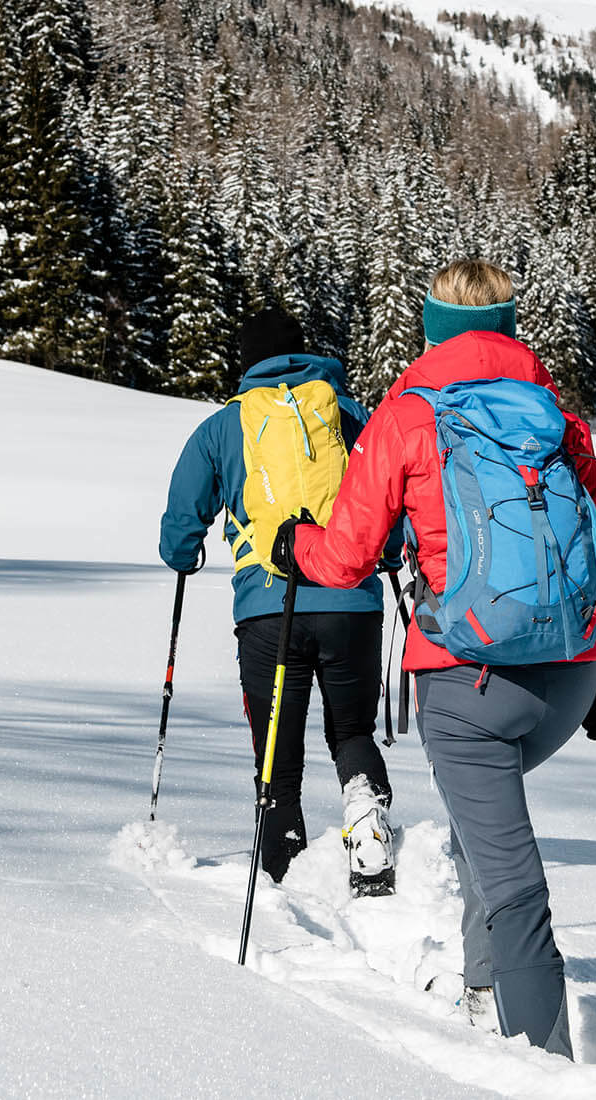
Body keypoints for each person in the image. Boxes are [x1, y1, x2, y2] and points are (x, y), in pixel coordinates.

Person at [269, 260, 596, 1057]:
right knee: (486, 827)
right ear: (508, 326)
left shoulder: (408, 417)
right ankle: (483, 993)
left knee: (512, 882)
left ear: (431, 326)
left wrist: (290, 543)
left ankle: (546, 1060)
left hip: (467, 684)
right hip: (571, 676)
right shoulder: (556, 417)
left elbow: (345, 556)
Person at [158, 307, 398, 894]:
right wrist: (387, 557)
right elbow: (387, 502)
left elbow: (180, 529)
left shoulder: (225, 426)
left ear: (248, 363)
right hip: (352, 605)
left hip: (269, 612)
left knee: (276, 755)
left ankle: (284, 874)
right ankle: (366, 819)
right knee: (352, 733)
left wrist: (185, 552)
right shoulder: (344, 415)